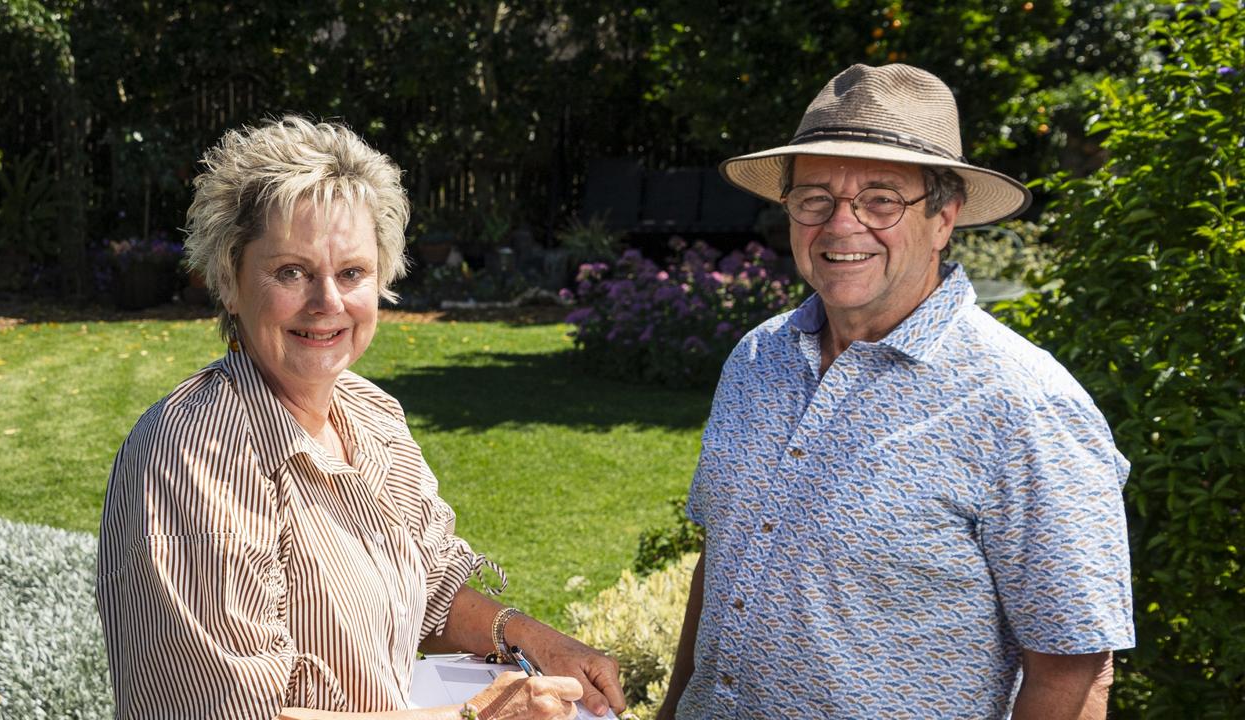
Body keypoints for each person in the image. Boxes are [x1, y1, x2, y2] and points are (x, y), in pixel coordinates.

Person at [96, 116, 626, 720]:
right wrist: (475, 716)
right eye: (291, 272)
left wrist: (530, 637)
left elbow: (430, 586)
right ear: (229, 280)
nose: (327, 302)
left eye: (351, 273)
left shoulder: (370, 414)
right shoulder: (193, 454)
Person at [656, 64, 1134, 720]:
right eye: (814, 197)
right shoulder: (757, 359)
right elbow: (726, 560)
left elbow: (1074, 672)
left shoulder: (1024, 406)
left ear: (945, 218)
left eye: (881, 199)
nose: (840, 225)